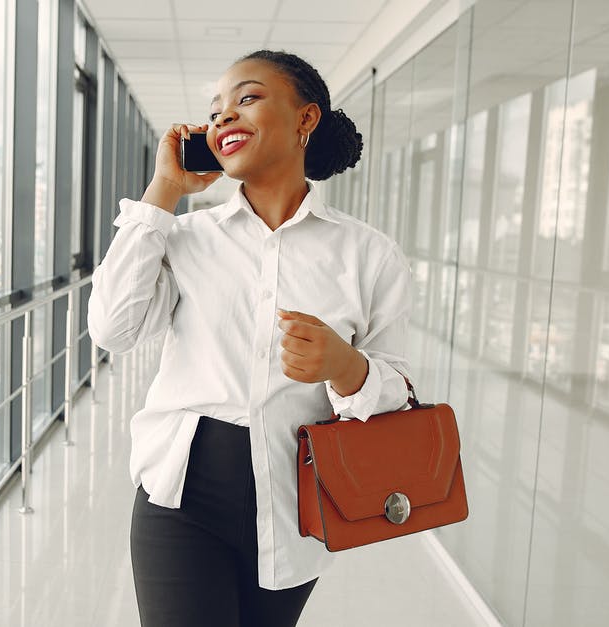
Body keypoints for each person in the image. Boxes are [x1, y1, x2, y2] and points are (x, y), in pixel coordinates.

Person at [88, 49, 415, 627]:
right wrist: (163, 190)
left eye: (247, 98)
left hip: (297, 503)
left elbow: (401, 398)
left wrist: (346, 366)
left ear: (305, 120)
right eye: (215, 111)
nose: (223, 119)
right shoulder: (185, 237)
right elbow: (113, 328)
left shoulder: (368, 255)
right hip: (180, 494)